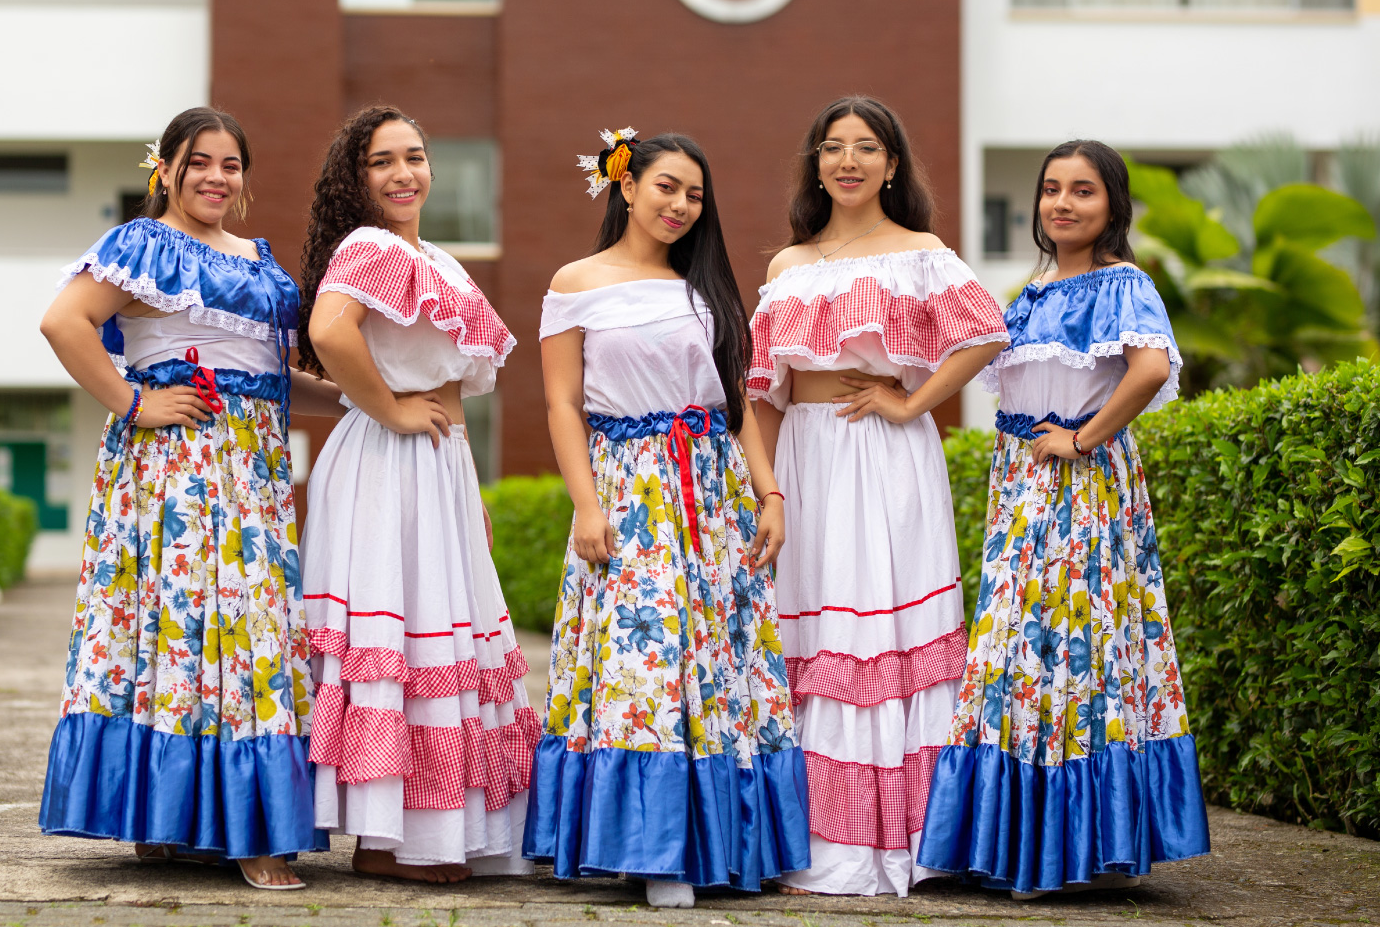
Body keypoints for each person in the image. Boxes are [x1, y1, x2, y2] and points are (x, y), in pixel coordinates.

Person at [36, 106, 346, 890]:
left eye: (231, 164)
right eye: (199, 161)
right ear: (166, 169)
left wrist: (368, 402)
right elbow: (63, 323)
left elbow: (269, 379)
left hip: (255, 477)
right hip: (173, 473)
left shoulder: (259, 260)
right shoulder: (143, 245)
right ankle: (214, 827)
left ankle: (211, 820)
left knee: (248, 634)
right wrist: (135, 403)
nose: (216, 176)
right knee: (181, 629)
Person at [523, 128, 811, 909]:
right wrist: (586, 502)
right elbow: (559, 402)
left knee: (722, 663)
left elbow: (736, 401)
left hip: (712, 496)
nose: (682, 205)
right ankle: (654, 852)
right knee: (643, 661)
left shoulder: (703, 287)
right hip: (629, 490)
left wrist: (770, 493)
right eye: (666, 187)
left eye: (694, 194)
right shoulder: (575, 282)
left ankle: (735, 845)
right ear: (626, 186)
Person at [916, 140, 1211, 897]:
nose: (1062, 203)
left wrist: (1082, 438)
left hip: (1079, 488)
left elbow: (1149, 367)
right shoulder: (1032, 293)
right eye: (1051, 189)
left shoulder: (1122, 283)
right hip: (1022, 489)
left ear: (1113, 203)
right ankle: (1016, 844)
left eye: (1082, 190)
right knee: (1018, 656)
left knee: (1079, 650)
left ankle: (1076, 852)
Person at [747, 96, 1010, 897]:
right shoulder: (786, 266)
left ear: (892, 164)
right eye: (834, 148)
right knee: (816, 622)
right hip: (806, 453)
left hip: (888, 451)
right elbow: (762, 393)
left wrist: (912, 401)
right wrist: (766, 491)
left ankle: (896, 838)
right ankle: (814, 837)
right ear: (816, 163)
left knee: (883, 622)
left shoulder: (921, 252)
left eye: (867, 148)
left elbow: (988, 332)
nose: (849, 161)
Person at [297, 105, 537, 883]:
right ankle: (388, 840)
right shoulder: (369, 247)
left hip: (434, 462)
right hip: (386, 459)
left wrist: (466, 492)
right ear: (356, 180)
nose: (405, 173)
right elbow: (332, 333)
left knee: (435, 630)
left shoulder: (430, 256)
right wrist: (390, 407)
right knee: (401, 635)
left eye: (417, 156)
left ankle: (418, 832)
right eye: (383, 162)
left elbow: (453, 386)